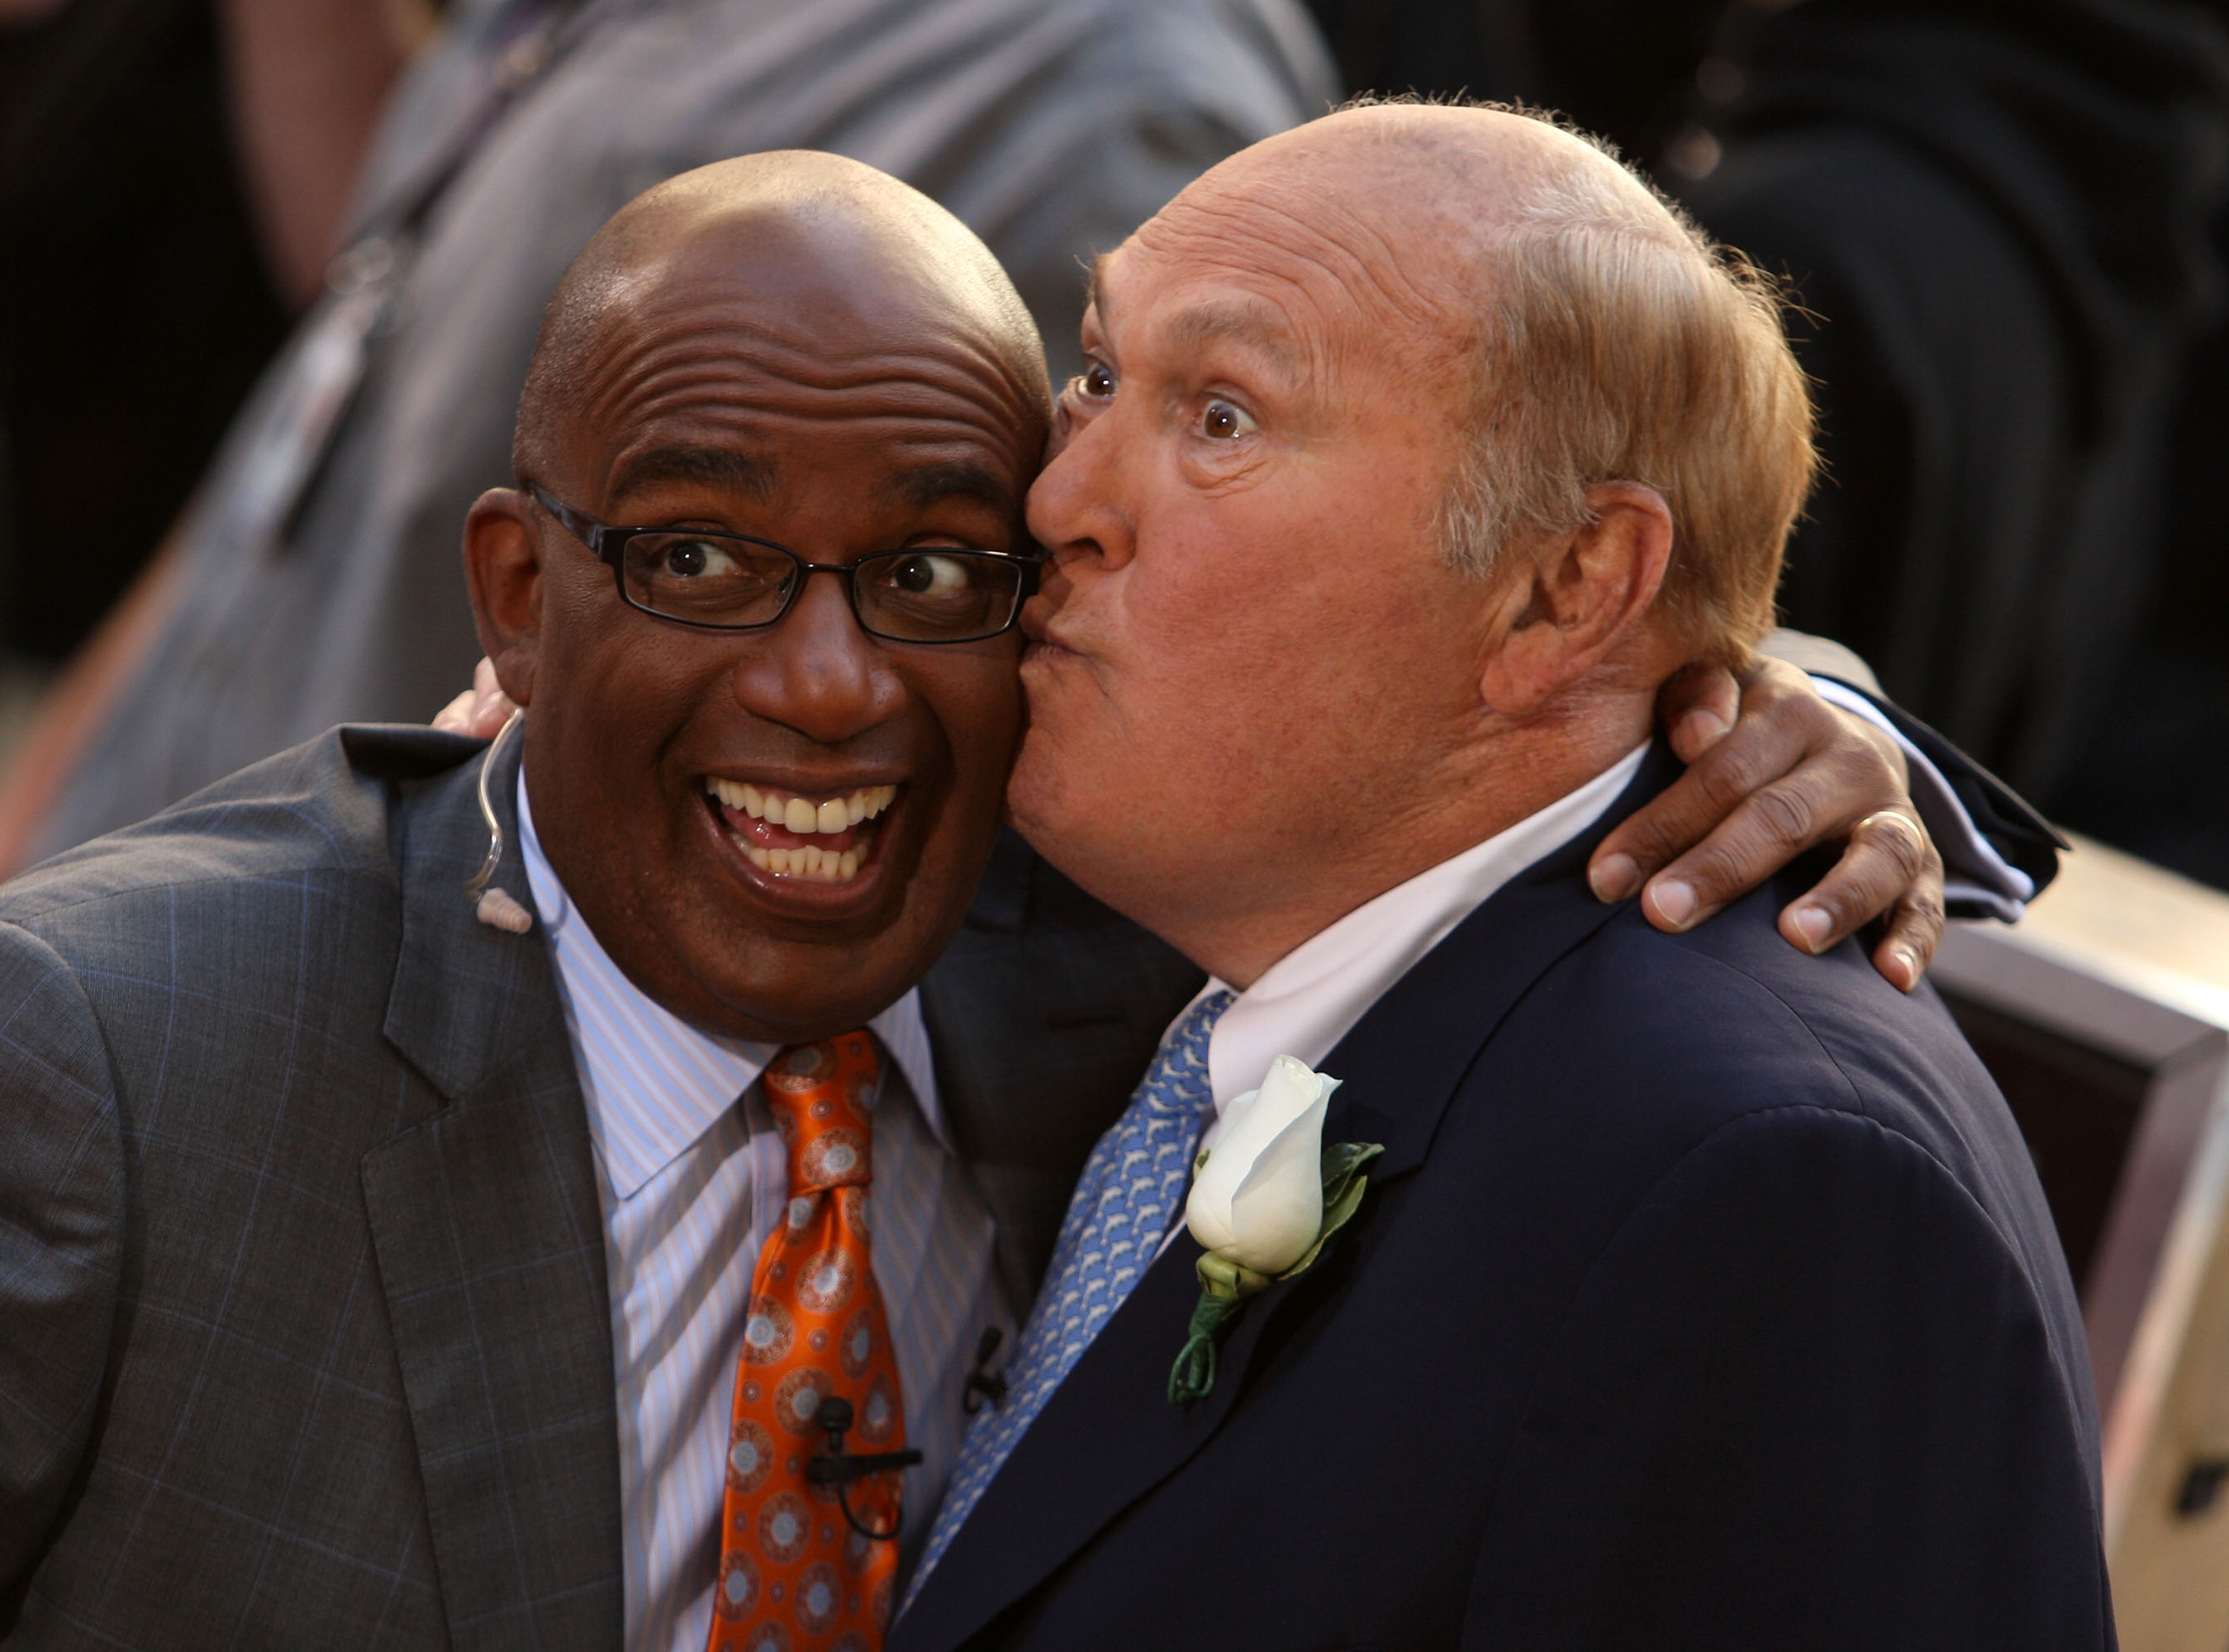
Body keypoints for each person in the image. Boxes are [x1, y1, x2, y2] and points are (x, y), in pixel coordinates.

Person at [0, 154, 2030, 1649]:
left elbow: (1492, 775)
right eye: (700, 560)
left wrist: (1767, 699)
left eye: (939, 568)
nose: (831, 682)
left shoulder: (1115, 968)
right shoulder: (99, 1057)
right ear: (523, 597)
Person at [891, 104, 2106, 1650]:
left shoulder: (1767, 1191)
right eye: (1101, 375)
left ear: (1565, 589)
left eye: (1223, 418)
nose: (1058, 501)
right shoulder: (1244, 898)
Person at [0, 0, 1340, 914]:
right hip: (134, 931)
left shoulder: (1117, 87)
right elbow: (361, 417)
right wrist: (18, 865)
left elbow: (1084, 726)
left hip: (400, 1093)